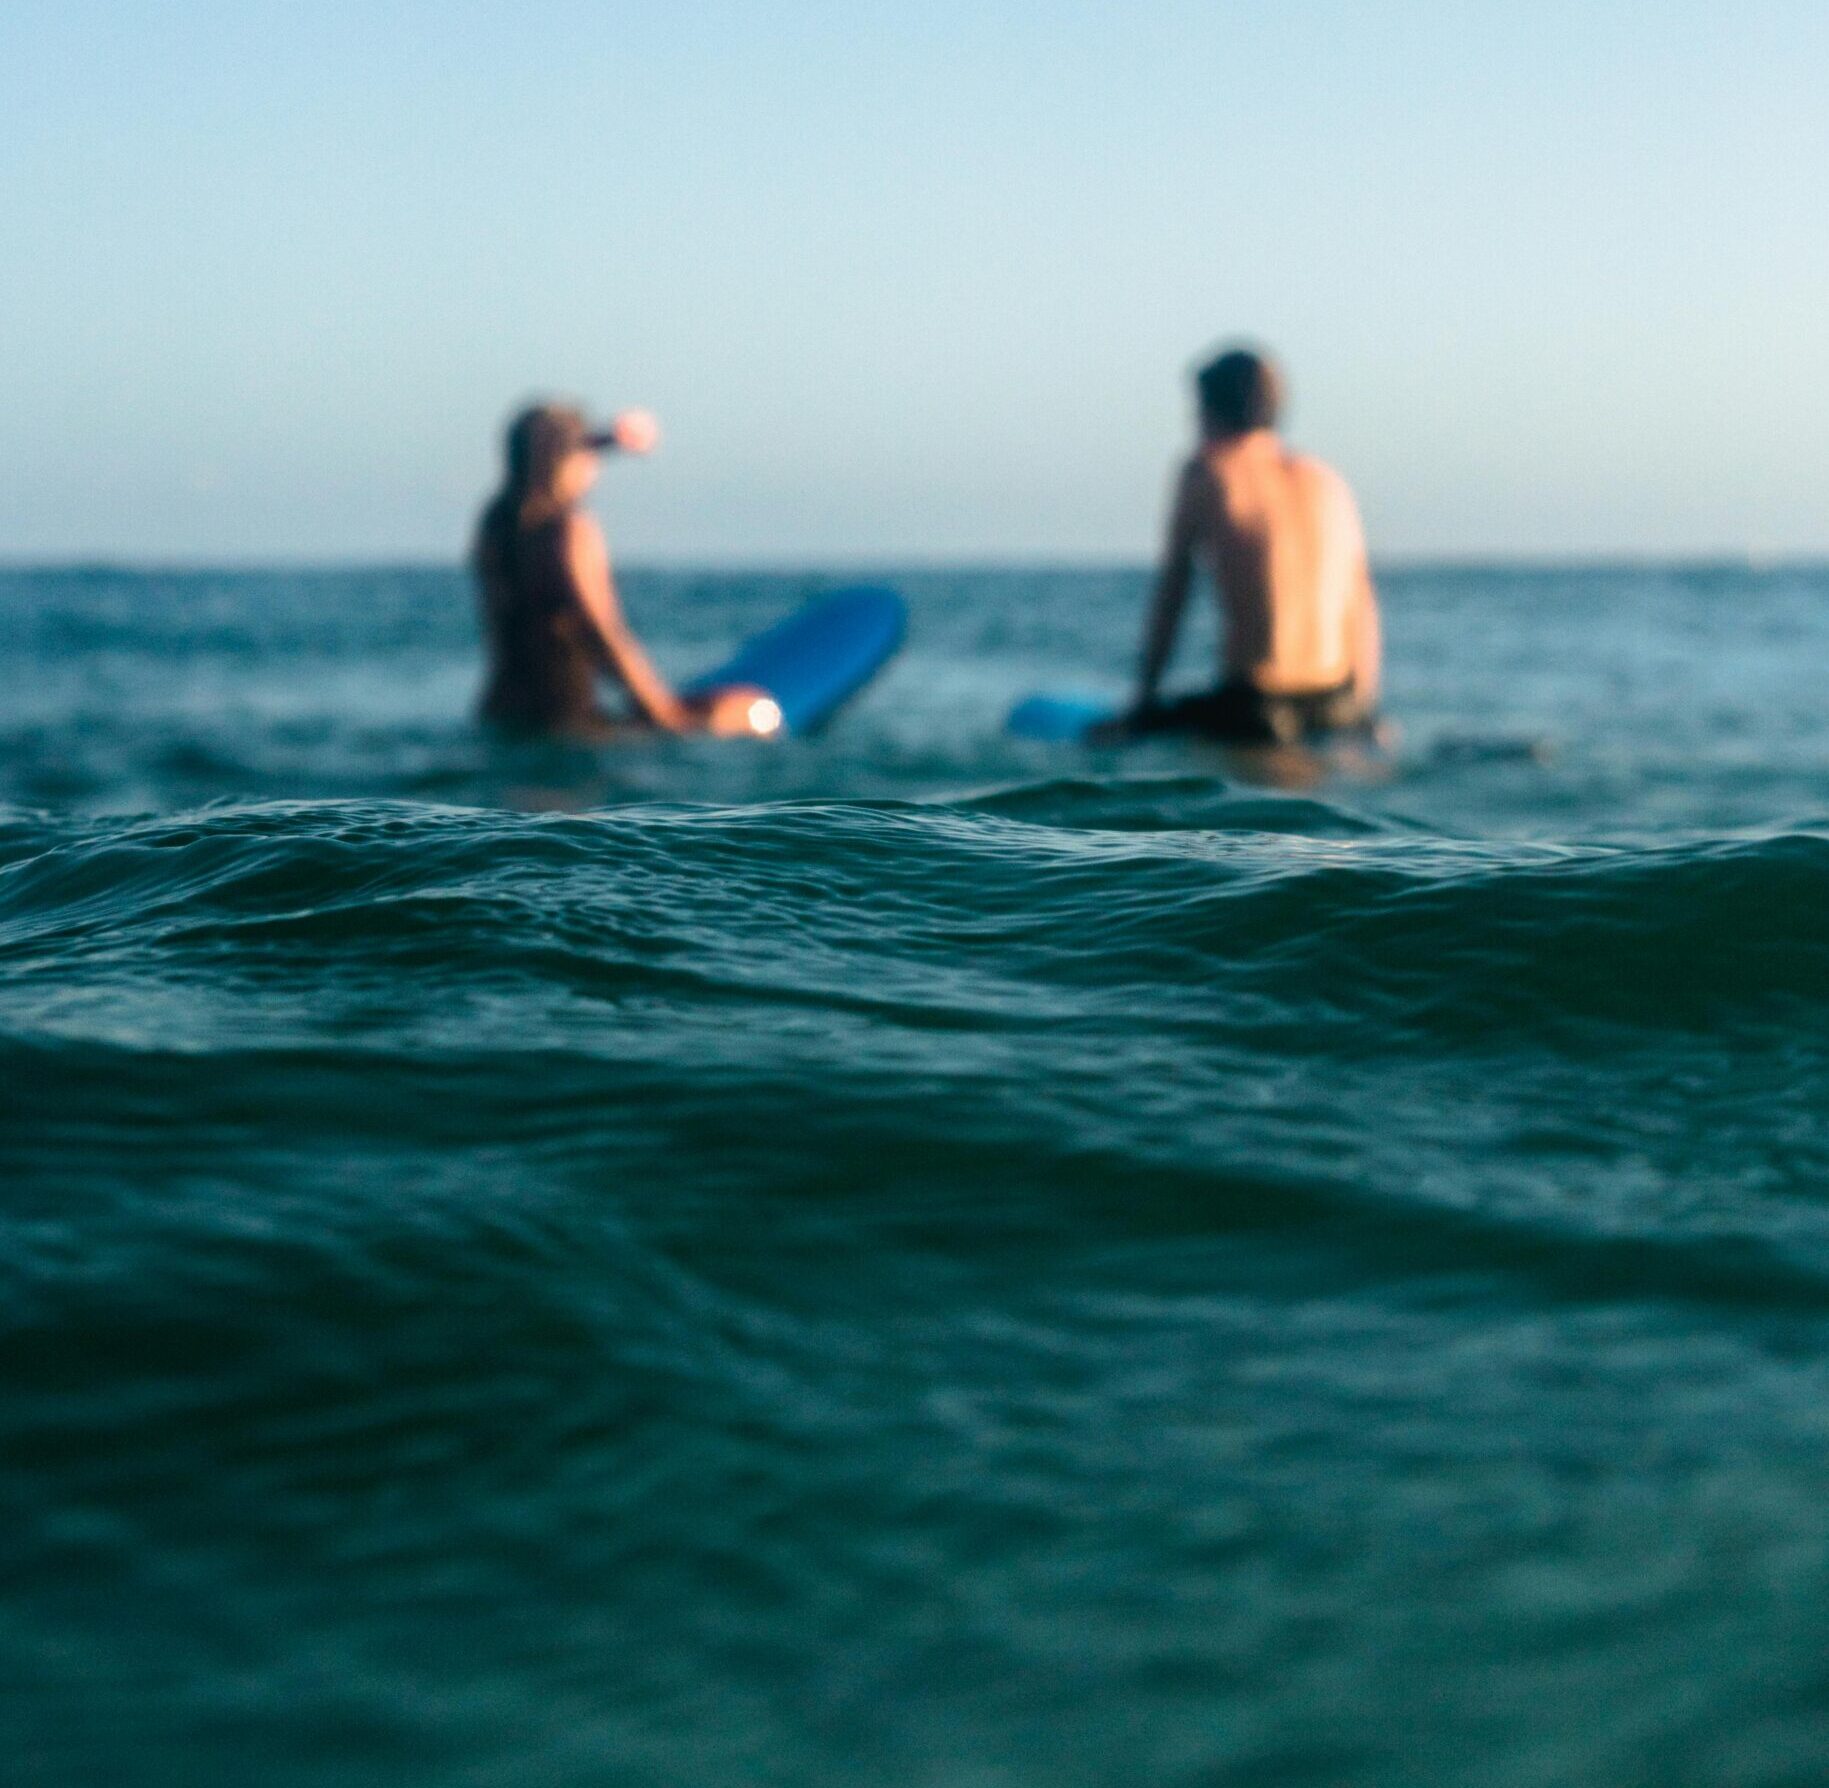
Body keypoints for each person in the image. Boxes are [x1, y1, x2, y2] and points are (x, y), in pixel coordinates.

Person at [1108, 346, 1382, 745]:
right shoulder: (1326, 481)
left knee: (1111, 736)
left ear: (1208, 411)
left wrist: (1142, 702)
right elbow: (1361, 604)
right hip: (1338, 703)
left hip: (1258, 707)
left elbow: (1173, 594)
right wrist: (1365, 711)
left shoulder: (1209, 472)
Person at [473, 402, 774, 738]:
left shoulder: (497, 525)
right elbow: (602, 632)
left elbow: (546, 448)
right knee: (754, 710)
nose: (594, 466)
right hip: (569, 723)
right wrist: (667, 715)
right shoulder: (571, 532)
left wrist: (612, 439)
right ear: (565, 461)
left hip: (500, 714)